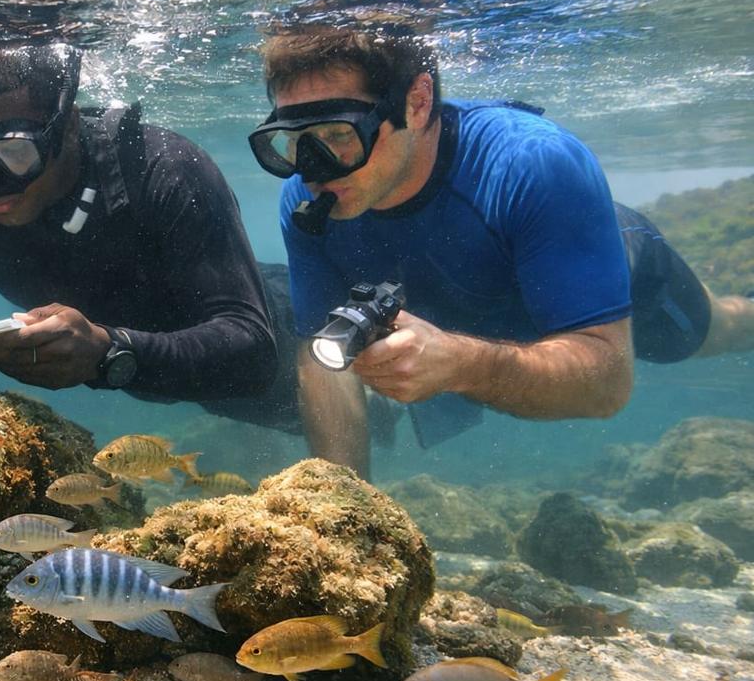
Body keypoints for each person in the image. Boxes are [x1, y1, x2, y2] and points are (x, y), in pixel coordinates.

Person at [249, 24, 754, 480]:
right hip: (474, 313)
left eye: (338, 134)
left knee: (717, 329)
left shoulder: (535, 163)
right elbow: (323, 356)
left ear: (417, 102)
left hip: (607, 269)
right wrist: (341, 507)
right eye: (294, 141)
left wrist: (463, 365)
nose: (311, 169)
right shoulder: (307, 200)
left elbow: (608, 384)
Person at [0, 44, 297, 430]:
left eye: (15, 151)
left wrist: (109, 353)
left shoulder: (165, 169)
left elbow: (255, 355)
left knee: (305, 409)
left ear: (67, 127)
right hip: (182, 376)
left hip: (295, 336)